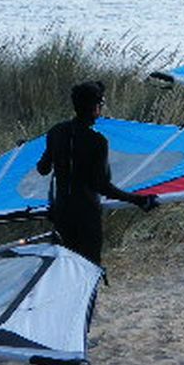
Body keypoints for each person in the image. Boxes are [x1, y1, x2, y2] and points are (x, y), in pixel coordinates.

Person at [36, 81, 158, 265]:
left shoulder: (56, 132)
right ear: (95, 108)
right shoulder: (97, 141)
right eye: (100, 105)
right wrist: (139, 200)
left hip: (61, 215)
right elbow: (102, 187)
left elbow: (43, 169)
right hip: (86, 217)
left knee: (65, 269)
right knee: (88, 269)